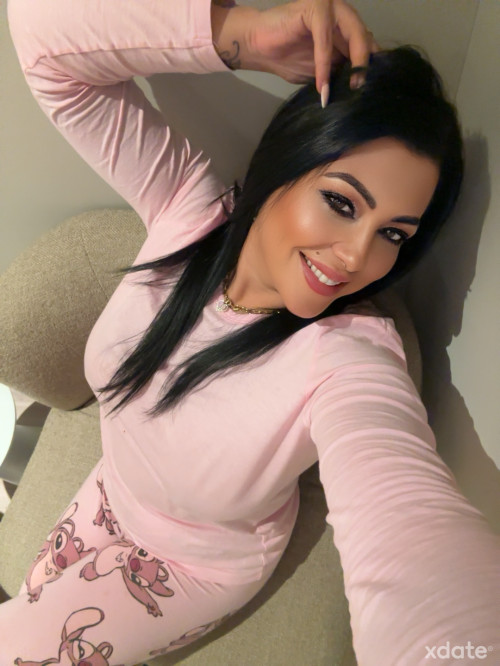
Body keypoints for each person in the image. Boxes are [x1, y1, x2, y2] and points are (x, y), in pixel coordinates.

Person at [3, 0, 499, 663]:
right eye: (341, 202)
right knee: (25, 605)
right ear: (284, 166)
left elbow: (406, 525)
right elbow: (43, 45)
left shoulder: (349, 354)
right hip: (111, 487)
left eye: (392, 235)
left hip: (190, 565)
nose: (358, 256)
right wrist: (238, 35)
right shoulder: (187, 211)